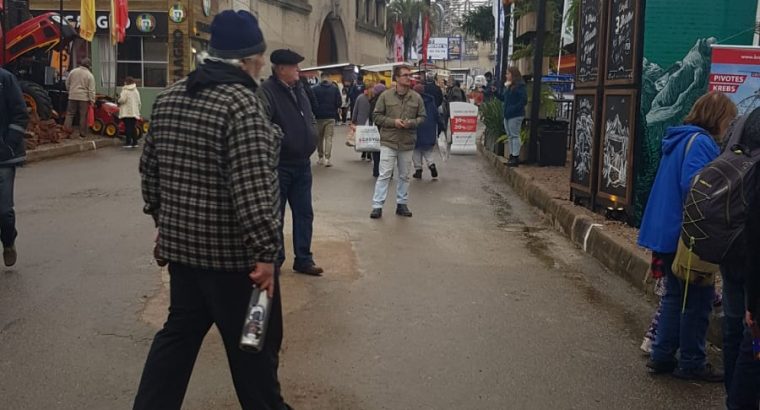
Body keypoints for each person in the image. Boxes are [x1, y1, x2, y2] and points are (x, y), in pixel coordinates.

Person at [134, 10, 292, 410]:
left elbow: (150, 172)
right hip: (236, 263)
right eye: (260, 56)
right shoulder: (243, 104)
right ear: (250, 59)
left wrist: (161, 220)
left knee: (177, 340)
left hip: (184, 255)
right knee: (253, 348)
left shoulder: (170, 97)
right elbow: (254, 189)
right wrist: (266, 254)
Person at [638, 91, 737, 383]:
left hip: (665, 229)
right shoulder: (702, 143)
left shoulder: (680, 138)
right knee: (698, 298)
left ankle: (662, 355)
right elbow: (696, 185)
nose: (729, 127)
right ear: (718, 118)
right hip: (687, 233)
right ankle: (692, 361)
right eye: (728, 120)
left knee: (674, 295)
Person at [258, 49, 324, 277]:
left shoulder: (299, 88)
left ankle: (303, 259)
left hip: (302, 163)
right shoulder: (267, 91)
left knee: (304, 212)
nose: (298, 70)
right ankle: (275, 260)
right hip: (280, 164)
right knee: (276, 214)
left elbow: (310, 114)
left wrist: (312, 133)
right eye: (294, 66)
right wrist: (283, 141)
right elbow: (263, 124)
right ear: (281, 69)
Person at [370, 65, 426, 219]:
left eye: (409, 75)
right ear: (396, 78)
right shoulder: (385, 96)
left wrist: (412, 123)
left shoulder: (416, 98)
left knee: (404, 175)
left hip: (407, 142)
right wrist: (393, 122)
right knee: (385, 174)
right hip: (389, 141)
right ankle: (377, 205)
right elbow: (376, 116)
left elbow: (423, 117)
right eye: (405, 75)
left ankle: (402, 204)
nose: (409, 77)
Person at [0, 67, 29, 267]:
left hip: (3, 158)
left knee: (4, 210)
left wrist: (8, 144)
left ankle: (8, 241)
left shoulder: (5, 80)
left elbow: (20, 113)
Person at [496, 67, 527, 167]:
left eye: (508, 74)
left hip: (515, 115)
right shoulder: (509, 87)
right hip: (508, 114)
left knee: (514, 135)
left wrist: (512, 109)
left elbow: (523, 100)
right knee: (510, 135)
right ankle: (512, 155)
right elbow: (504, 99)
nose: (506, 75)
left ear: (513, 75)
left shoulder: (519, 86)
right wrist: (496, 93)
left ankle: (515, 156)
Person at [412, 84, 442, 180]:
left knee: (416, 150)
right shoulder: (431, 101)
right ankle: (431, 164)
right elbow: (437, 115)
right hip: (429, 129)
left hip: (416, 128)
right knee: (427, 151)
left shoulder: (413, 102)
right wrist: (442, 127)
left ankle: (418, 170)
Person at [312, 72, 342, 167]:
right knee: (328, 138)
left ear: (321, 78)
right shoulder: (334, 88)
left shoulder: (314, 89)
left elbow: (312, 102)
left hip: (318, 117)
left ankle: (320, 158)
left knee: (319, 138)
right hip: (331, 116)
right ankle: (327, 159)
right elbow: (339, 103)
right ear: (329, 78)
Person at [64, 58, 96, 137]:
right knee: (83, 116)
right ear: (89, 66)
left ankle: (66, 131)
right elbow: (91, 90)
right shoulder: (89, 75)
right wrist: (92, 100)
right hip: (84, 98)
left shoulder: (73, 71)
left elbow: (67, 83)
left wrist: (70, 91)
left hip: (72, 96)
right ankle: (82, 133)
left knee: (70, 114)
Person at [367, 83, 386, 177]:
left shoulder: (373, 101)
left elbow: (371, 116)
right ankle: (387, 172)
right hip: (387, 129)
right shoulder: (388, 100)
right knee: (386, 151)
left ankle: (376, 171)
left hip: (376, 129)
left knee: (376, 150)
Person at [118, 76, 142, 148]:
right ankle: (135, 142)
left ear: (126, 82)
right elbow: (139, 101)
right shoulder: (136, 90)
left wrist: (118, 100)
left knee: (128, 127)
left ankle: (128, 143)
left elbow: (122, 100)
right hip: (134, 112)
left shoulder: (125, 90)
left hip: (126, 112)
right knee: (133, 127)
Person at [351, 88, 373, 163]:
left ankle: (364, 153)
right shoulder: (373, 98)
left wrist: (353, 120)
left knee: (363, 137)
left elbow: (355, 109)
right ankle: (368, 154)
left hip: (361, 121)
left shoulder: (360, 97)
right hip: (370, 121)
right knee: (369, 138)